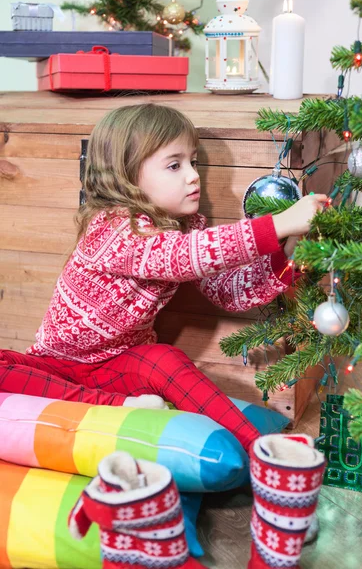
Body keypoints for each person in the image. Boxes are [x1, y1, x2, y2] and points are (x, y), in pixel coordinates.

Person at [0, 104, 327, 453]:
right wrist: (279, 223)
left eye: (194, 162)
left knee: (166, 360)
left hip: (118, 367)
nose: (193, 176)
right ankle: (111, 407)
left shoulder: (186, 227)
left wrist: (287, 249)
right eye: (175, 166)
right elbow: (183, 257)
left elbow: (228, 293)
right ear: (125, 176)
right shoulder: (113, 228)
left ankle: (262, 448)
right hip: (58, 367)